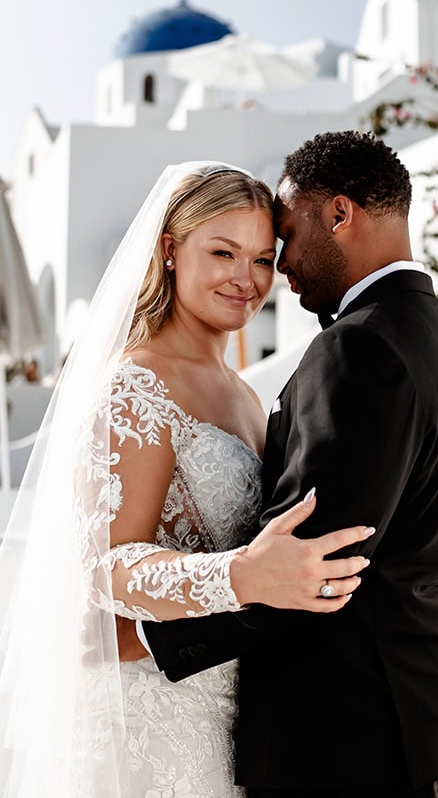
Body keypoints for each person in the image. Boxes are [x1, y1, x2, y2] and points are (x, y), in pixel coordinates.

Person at [141, 132, 438, 798]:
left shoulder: (358, 347)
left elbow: (312, 562)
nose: (279, 265)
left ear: (339, 215)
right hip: (428, 705)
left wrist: (149, 641)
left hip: (353, 730)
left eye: (284, 234)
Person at [0, 161, 372, 797]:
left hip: (234, 709)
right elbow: (105, 568)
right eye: (222, 252)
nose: (245, 279)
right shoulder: (134, 386)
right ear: (170, 251)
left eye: (261, 260)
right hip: (152, 717)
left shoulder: (245, 397)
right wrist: (241, 577)